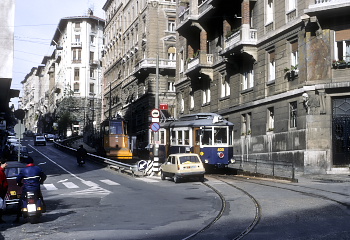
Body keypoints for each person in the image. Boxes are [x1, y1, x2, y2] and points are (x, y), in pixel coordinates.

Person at [15, 157, 46, 222]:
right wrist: (41, 181)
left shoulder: (23, 170)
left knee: (21, 201)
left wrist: (20, 184)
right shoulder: (38, 168)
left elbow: (18, 179)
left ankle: (17, 217)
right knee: (40, 197)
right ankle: (44, 208)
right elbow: (44, 176)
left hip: (26, 189)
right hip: (36, 188)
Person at [0, 159, 8, 223]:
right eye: (5, 163)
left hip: (2, 192)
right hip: (1, 192)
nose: (6, 164)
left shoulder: (2, 171)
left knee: (2, 205)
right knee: (0, 205)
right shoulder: (0, 172)